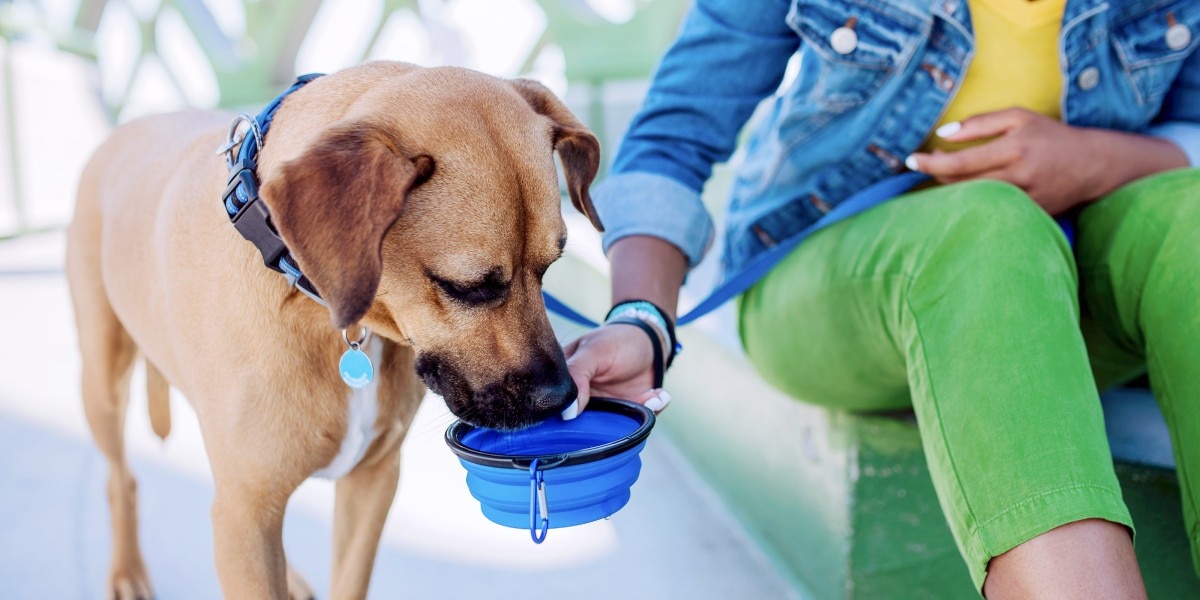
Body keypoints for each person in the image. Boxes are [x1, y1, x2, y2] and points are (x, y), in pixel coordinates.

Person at [560, 0, 1200, 597]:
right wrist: (642, 319)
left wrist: (1097, 160)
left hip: (1073, 278)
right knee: (988, 225)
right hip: (826, 285)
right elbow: (675, 139)